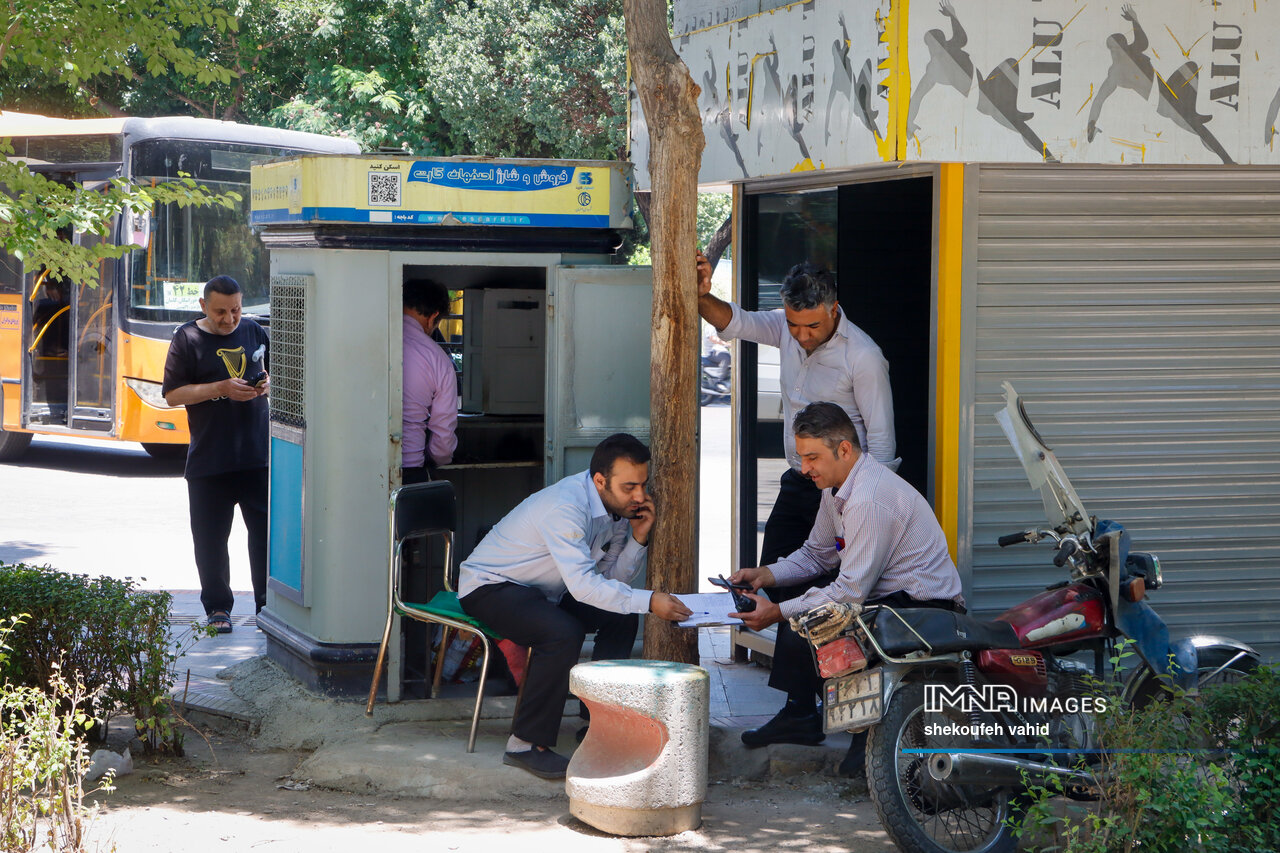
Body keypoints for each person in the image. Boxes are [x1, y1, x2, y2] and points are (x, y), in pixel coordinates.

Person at [729, 402, 963, 769]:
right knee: (802, 605)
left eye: (812, 458)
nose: (804, 469)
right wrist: (764, 575)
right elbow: (816, 555)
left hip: (925, 609)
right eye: (802, 458)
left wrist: (775, 612)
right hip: (888, 599)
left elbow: (849, 594)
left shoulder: (868, 498)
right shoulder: (835, 488)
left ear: (843, 449)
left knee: (817, 615)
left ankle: (866, 737)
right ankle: (800, 714)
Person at [457, 433, 692, 780]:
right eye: (629, 487)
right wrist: (650, 600)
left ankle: (599, 723)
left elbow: (610, 580)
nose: (640, 497)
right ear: (600, 481)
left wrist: (638, 537)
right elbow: (585, 588)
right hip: (490, 586)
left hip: (546, 591)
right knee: (562, 633)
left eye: (643, 485)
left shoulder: (615, 511)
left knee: (622, 615)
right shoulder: (566, 508)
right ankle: (524, 744)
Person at [695, 252, 898, 592]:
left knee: (833, 589)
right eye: (794, 324)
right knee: (772, 578)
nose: (801, 335)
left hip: (845, 491)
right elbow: (736, 321)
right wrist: (701, 295)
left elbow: (881, 439)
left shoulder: (863, 357)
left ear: (833, 309)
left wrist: (866, 506)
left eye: (813, 326)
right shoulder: (783, 327)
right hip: (798, 480)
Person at [162, 275, 270, 634]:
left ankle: (266, 607)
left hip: (257, 457)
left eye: (235, 309)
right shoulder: (187, 338)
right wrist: (220, 388)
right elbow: (173, 395)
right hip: (209, 459)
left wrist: (267, 384)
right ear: (203, 306)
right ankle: (218, 608)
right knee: (210, 542)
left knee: (264, 539)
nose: (229, 319)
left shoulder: (254, 330)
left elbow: (278, 374)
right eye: (221, 311)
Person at [401, 278, 457, 483]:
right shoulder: (438, 359)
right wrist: (437, 459)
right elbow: (443, 440)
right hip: (410, 469)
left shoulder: (372, 340)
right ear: (433, 316)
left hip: (361, 463)